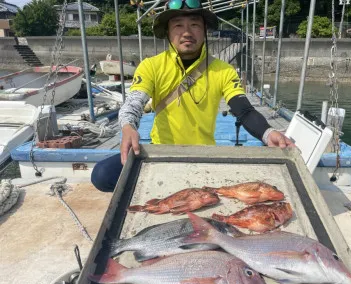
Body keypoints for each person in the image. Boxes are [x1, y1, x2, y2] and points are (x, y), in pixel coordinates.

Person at [91, 0, 294, 192]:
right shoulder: (151, 66)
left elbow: (245, 110)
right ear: (168, 33)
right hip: (159, 152)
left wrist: (268, 133)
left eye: (195, 25)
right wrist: (128, 127)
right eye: (178, 25)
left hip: (204, 154)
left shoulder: (223, 70)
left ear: (204, 31)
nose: (187, 32)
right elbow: (134, 102)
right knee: (101, 175)